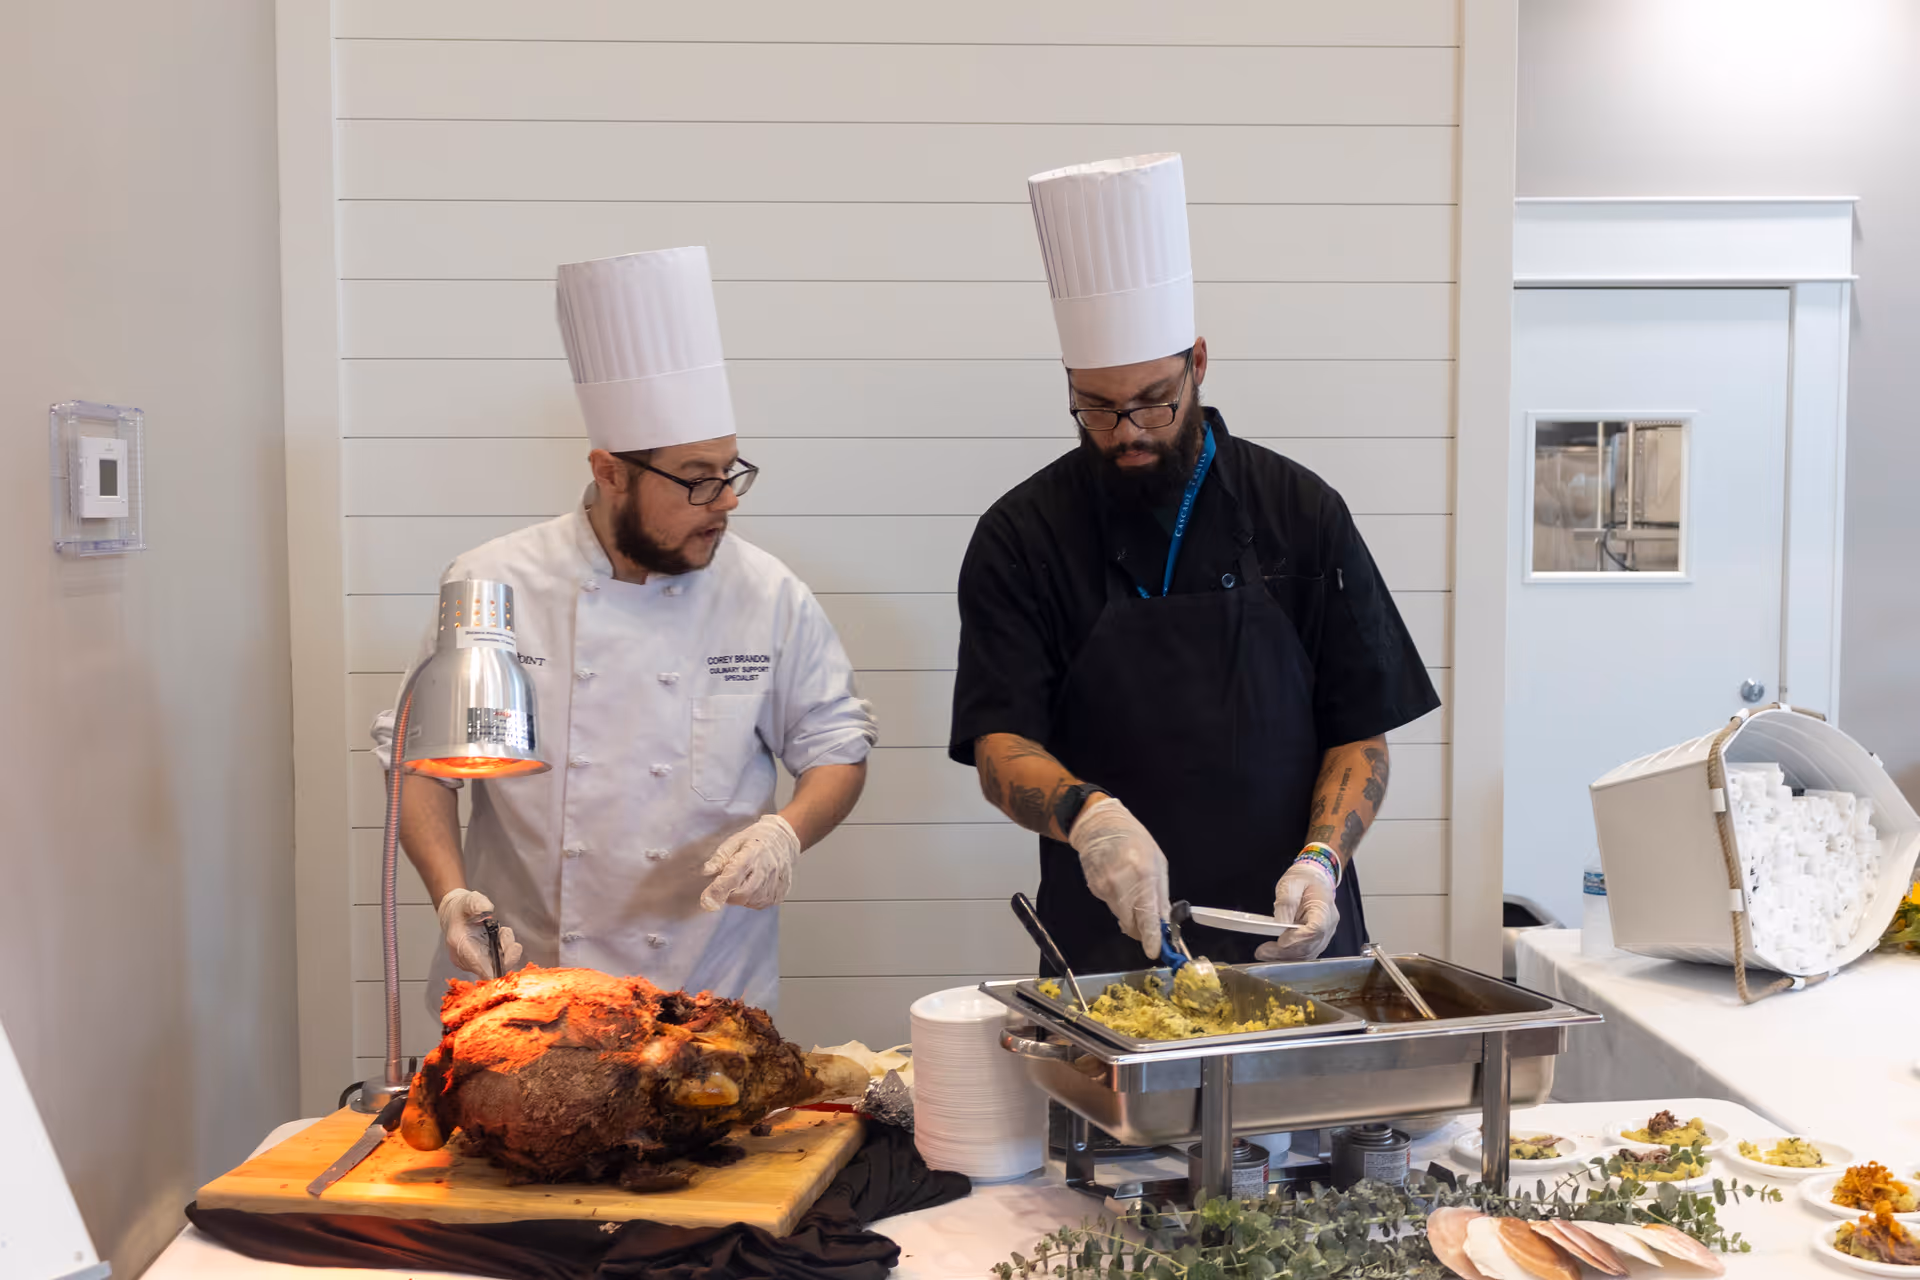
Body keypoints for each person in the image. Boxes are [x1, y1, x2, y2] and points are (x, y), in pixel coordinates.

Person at [949, 155, 1440, 974]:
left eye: (1153, 400)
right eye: (1097, 407)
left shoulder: (1300, 510)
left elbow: (1362, 732)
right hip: (1108, 950)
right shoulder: (1021, 535)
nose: (1128, 431)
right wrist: (1089, 817)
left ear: (1198, 364)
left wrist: (1322, 862)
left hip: (1293, 943)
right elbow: (1000, 747)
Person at [374, 247, 875, 1010]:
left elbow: (836, 750)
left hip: (708, 992)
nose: (726, 501)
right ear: (610, 473)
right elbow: (423, 768)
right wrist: (450, 895)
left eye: (731, 471)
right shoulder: (495, 584)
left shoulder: (768, 594)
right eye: (697, 479)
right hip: (525, 988)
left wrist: (785, 834)